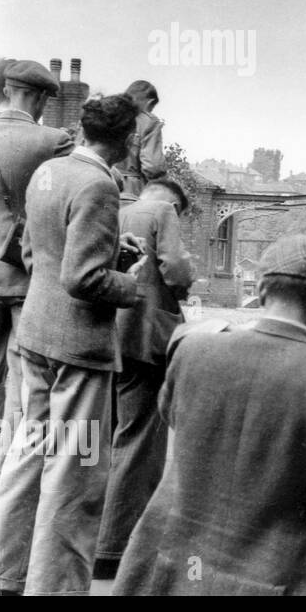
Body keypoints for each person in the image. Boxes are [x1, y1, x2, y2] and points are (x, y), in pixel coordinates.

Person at [114, 235, 306, 595]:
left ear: (264, 290)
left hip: (183, 573)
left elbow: (176, 417)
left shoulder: (192, 350)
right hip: (282, 581)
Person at [0, 95, 144, 595]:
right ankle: (55, 594)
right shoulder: (100, 186)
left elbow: (35, 251)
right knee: (73, 473)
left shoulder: (48, 173)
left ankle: (5, 575)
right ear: (125, 141)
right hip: (78, 346)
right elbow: (84, 279)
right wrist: (131, 282)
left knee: (26, 452)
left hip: (35, 332)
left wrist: (105, 251)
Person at [93, 178, 195, 580]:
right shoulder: (162, 211)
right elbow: (177, 269)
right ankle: (114, 549)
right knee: (138, 443)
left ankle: (94, 536)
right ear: (173, 201)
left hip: (102, 335)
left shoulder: (109, 205)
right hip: (143, 337)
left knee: (98, 440)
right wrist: (185, 282)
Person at [0, 60, 73, 473]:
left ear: (6, 90)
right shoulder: (53, 140)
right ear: (40, 98)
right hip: (26, 274)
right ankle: (7, 464)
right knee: (22, 377)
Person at [115, 80, 166, 199]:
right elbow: (153, 167)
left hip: (96, 182)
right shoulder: (148, 122)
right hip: (129, 190)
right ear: (150, 102)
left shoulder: (102, 113)